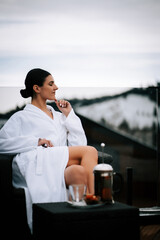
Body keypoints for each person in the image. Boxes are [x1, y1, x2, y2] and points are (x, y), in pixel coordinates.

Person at [0, 68, 98, 231]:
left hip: (58, 163)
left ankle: (77, 226)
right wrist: (34, 141)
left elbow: (79, 145)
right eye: (51, 84)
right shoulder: (21, 117)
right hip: (38, 161)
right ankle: (93, 199)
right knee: (91, 151)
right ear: (37, 88)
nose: (56, 87)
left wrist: (69, 116)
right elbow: (1, 143)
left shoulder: (60, 117)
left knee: (78, 173)